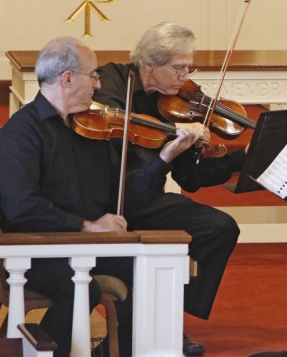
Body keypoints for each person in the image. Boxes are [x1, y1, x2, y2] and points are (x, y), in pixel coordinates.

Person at [0, 37, 201, 357]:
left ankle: (133, 351)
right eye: (92, 75)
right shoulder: (21, 133)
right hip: (38, 246)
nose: (98, 83)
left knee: (155, 270)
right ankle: (45, 350)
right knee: (80, 288)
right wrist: (86, 225)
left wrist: (165, 157)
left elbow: (124, 193)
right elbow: (20, 208)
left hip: (87, 244)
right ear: (67, 78)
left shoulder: (91, 129)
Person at [93, 22, 243, 356]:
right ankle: (148, 328)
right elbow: (119, 147)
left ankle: (167, 317)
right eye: (178, 67)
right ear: (148, 64)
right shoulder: (111, 86)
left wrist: (239, 160)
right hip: (112, 200)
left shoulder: (176, 101)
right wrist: (170, 141)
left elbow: (190, 178)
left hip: (148, 198)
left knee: (219, 227)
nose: (185, 76)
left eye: (189, 67)